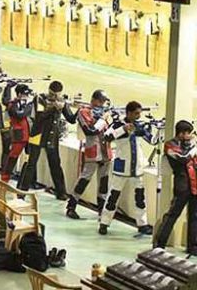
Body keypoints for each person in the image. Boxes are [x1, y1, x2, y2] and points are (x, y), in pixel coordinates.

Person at [98, 101, 155, 236]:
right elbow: (107, 137)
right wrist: (123, 129)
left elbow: (153, 140)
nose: (138, 116)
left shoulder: (139, 126)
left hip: (137, 168)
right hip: (121, 167)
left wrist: (159, 130)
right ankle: (104, 223)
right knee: (113, 197)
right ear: (128, 113)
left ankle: (142, 224)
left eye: (139, 113)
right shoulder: (117, 124)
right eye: (136, 113)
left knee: (140, 198)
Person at [18, 81, 76, 199]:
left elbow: (71, 119)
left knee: (55, 165)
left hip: (51, 137)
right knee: (31, 164)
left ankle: (61, 192)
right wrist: (54, 108)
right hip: (37, 135)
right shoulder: (40, 98)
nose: (54, 97)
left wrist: (79, 111)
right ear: (49, 91)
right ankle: (21, 192)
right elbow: (40, 116)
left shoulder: (61, 101)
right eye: (52, 94)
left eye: (56, 95)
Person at [66, 89, 112, 219]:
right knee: (84, 180)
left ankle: (102, 210)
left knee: (104, 182)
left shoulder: (103, 113)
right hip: (93, 151)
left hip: (105, 151)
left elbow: (110, 132)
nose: (102, 104)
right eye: (101, 101)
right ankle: (71, 206)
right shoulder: (84, 112)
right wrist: (102, 119)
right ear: (94, 100)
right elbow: (90, 131)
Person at [155, 120, 197, 253]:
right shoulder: (170, 145)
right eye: (188, 133)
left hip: (194, 185)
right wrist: (194, 148)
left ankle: (193, 246)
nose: (190, 136)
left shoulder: (189, 145)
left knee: (194, 216)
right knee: (172, 215)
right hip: (182, 185)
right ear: (181, 133)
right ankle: (159, 244)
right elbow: (183, 157)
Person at [0, 84, 36, 182]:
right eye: (25, 94)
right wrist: (29, 105)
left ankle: (28, 180)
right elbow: (20, 115)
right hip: (19, 135)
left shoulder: (24, 104)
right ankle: (4, 178)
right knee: (13, 157)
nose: (27, 96)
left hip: (29, 134)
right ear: (19, 94)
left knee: (31, 159)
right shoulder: (12, 104)